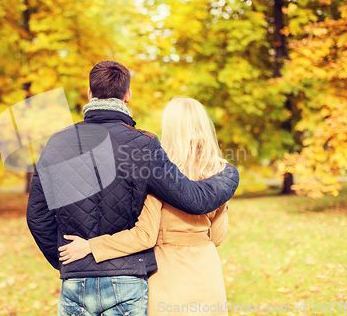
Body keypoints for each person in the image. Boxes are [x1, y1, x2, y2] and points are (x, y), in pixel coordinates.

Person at [26, 61, 239, 316]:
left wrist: (69, 261)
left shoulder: (57, 143)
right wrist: (228, 174)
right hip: (127, 279)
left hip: (76, 277)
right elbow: (194, 200)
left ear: (89, 93)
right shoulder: (143, 145)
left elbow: (37, 216)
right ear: (128, 95)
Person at [59, 97, 231, 316]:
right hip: (207, 273)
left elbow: (144, 236)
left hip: (169, 274)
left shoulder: (160, 171)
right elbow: (217, 237)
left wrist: (92, 246)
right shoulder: (218, 172)